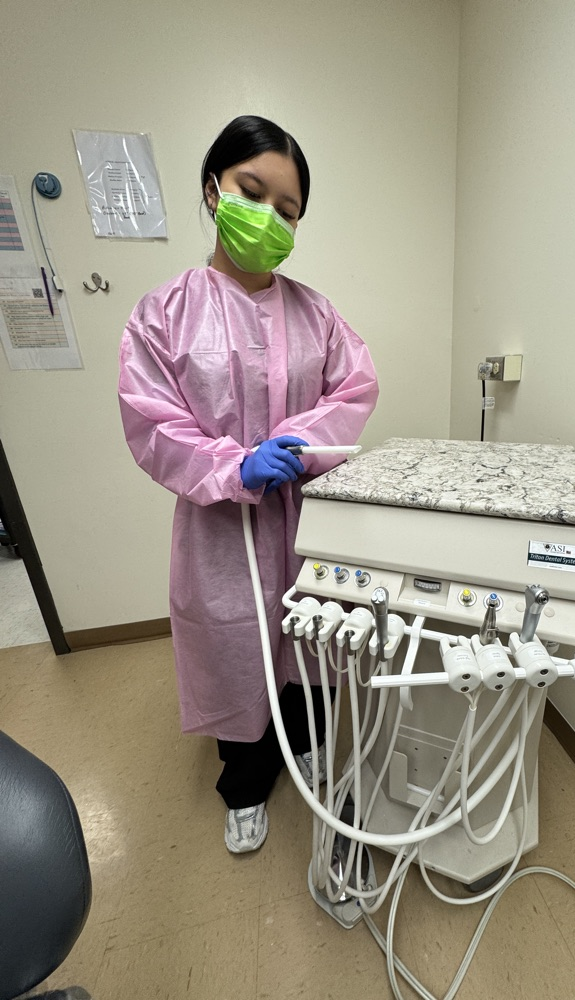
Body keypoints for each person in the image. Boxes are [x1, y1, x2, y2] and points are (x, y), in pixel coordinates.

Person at [118, 115, 379, 854]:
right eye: (251, 192)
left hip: (306, 513)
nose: (268, 217)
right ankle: (244, 786)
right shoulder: (162, 313)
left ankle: (313, 757)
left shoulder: (316, 312)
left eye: (287, 210)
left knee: (311, 643)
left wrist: (301, 446)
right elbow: (152, 420)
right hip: (218, 524)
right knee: (233, 650)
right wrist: (234, 466)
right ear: (214, 188)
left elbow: (354, 389)